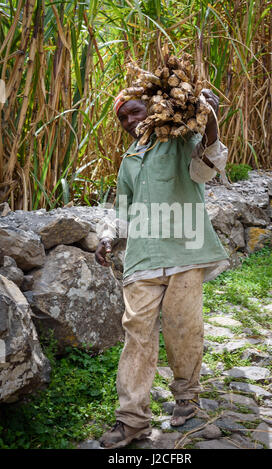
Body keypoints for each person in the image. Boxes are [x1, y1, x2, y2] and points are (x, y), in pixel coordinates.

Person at [95, 88, 230, 449]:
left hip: (185, 252)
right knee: (136, 334)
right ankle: (132, 420)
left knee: (183, 328)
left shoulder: (182, 139)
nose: (129, 122)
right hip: (142, 259)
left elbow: (208, 168)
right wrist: (109, 238)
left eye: (135, 112)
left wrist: (211, 119)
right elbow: (124, 209)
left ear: (153, 109)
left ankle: (186, 399)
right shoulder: (129, 160)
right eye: (122, 118)